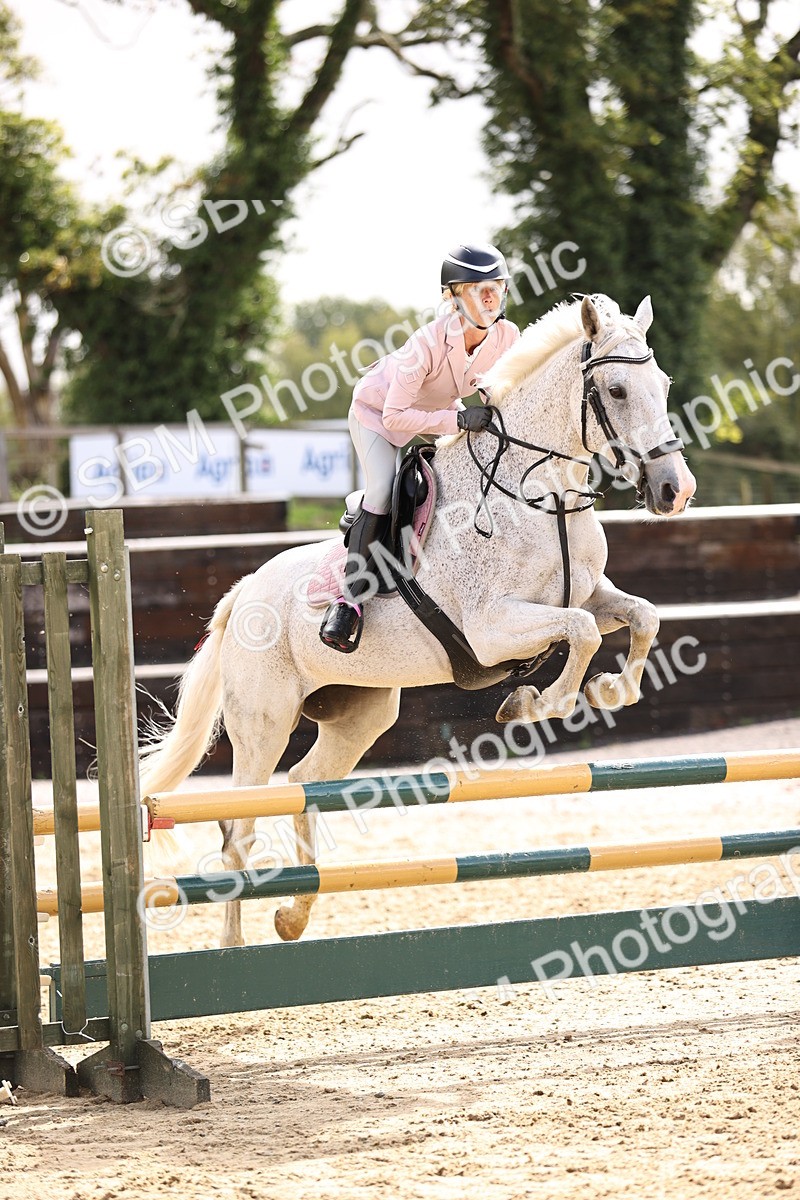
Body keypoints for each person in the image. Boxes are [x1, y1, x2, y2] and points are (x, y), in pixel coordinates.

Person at [319, 242, 521, 653]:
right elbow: (395, 417)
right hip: (377, 414)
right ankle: (348, 600)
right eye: (477, 289)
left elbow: (500, 392)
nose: (489, 297)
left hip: (437, 410)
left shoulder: (508, 336)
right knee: (382, 488)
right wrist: (459, 421)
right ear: (452, 297)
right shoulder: (426, 343)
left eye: (497, 286)